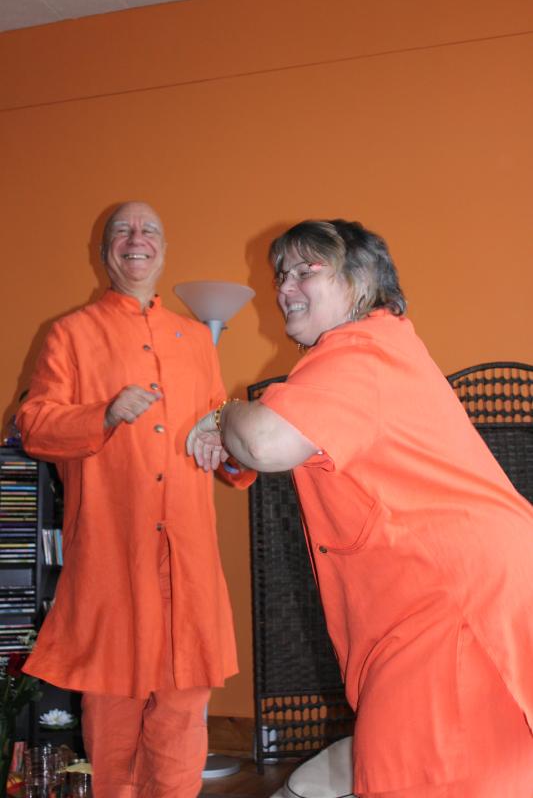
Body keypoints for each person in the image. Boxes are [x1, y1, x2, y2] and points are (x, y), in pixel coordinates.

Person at [186, 219, 533, 797]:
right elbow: (279, 452)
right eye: (281, 275)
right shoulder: (376, 351)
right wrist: (232, 443)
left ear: (362, 281)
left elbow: (267, 442)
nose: (285, 287)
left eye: (307, 270)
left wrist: (224, 415)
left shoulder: (359, 351)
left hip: (449, 609)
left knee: (424, 776)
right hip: (462, 598)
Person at [16, 201, 254, 798]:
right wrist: (102, 413)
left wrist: (229, 448)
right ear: (105, 253)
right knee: (112, 714)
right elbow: (34, 425)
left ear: (163, 251)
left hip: (187, 558)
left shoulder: (196, 339)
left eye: (149, 230)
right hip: (111, 555)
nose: (136, 237)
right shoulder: (70, 334)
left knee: (183, 710)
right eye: (122, 229)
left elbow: (220, 426)